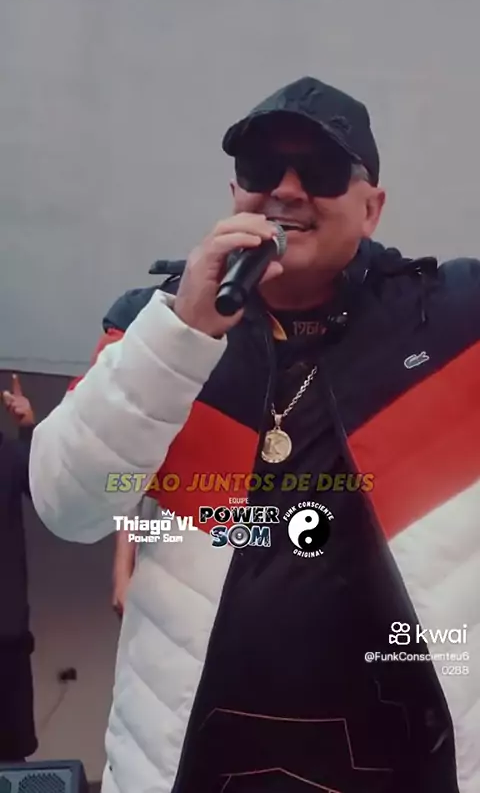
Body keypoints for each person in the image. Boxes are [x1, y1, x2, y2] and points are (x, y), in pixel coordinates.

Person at [28, 76, 479, 793]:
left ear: (371, 208)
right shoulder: (157, 325)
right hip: (198, 761)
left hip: (403, 761)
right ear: (235, 191)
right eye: (262, 168)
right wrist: (182, 330)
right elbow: (68, 504)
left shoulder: (454, 319)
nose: (287, 191)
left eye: (321, 170)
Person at [0, 374, 38, 762]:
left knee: (11, 759)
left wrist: (28, 428)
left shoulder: (7, 454)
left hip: (6, 638)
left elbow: (41, 486)